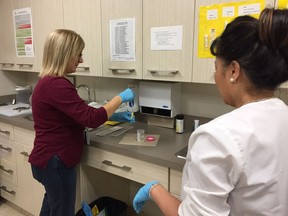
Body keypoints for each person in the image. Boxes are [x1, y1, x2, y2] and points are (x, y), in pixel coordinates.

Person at [133, 7, 288, 216]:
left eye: (216, 67)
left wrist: (155, 189)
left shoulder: (217, 136)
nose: (214, 77)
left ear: (233, 71)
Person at [28, 29, 135, 216]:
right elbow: (91, 119)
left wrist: (113, 116)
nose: (81, 60)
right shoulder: (57, 85)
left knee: (51, 209)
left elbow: (74, 115)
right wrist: (120, 98)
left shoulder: (47, 82)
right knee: (62, 211)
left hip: (46, 161)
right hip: (56, 163)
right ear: (65, 54)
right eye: (78, 54)